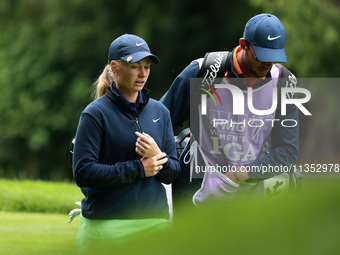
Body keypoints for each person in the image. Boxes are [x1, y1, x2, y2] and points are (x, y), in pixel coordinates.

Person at [160, 14, 299, 208]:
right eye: (262, 55)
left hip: (251, 195)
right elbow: (159, 122)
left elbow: (287, 151)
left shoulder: (283, 81)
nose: (268, 64)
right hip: (195, 191)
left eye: (274, 57)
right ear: (244, 44)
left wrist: (240, 174)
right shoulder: (205, 71)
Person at [72, 34, 180, 251]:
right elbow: (83, 172)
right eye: (135, 66)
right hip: (104, 226)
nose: (143, 74)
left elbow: (173, 172)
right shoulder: (95, 114)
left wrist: (158, 156)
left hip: (153, 224)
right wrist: (139, 168)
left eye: (147, 67)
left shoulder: (161, 112)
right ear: (115, 67)